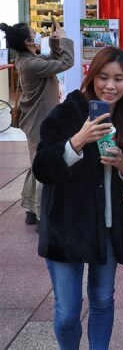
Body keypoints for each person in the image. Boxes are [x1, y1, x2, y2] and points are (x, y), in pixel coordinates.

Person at [32, 47, 123, 350]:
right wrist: (77, 141)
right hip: (67, 227)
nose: (110, 85)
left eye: (119, 79)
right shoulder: (68, 112)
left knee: (103, 300)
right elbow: (42, 167)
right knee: (68, 311)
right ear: (91, 76)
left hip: (107, 227)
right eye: (103, 77)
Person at [0, 21, 74, 226]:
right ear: (28, 41)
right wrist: (65, 38)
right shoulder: (31, 64)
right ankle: (44, 215)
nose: (38, 34)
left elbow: (52, 59)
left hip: (36, 121)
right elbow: (66, 62)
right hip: (40, 122)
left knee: (36, 165)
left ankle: (32, 209)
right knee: (44, 166)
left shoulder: (27, 59)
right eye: (34, 34)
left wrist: (54, 41)